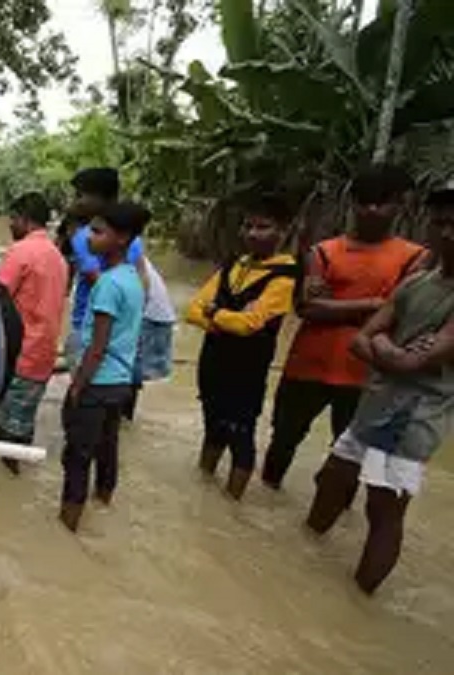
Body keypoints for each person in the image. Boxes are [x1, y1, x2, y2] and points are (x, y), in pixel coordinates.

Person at [303, 186, 454, 594]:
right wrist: (390, 347)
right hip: (377, 402)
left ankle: (359, 600)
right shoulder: (419, 282)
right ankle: (300, 564)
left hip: (415, 415)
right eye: (441, 223)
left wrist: (386, 347)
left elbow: (412, 360)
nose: (448, 233)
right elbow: (362, 340)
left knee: (384, 507)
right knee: (332, 478)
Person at [261, 166, 427, 489]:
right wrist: (375, 304)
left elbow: (402, 314)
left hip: (365, 373)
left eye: (382, 203)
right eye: (364, 202)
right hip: (307, 365)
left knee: (349, 459)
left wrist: (337, 306)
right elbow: (308, 308)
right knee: (281, 443)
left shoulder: (414, 258)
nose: (372, 211)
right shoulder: (324, 251)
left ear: (398, 206)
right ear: (353, 204)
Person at [186, 194, 298, 500]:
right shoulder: (234, 266)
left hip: (247, 371)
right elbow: (192, 311)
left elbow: (249, 325)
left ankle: (232, 503)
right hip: (213, 363)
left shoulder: (285, 276)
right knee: (213, 428)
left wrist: (214, 313)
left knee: (241, 437)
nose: (252, 234)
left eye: (263, 227)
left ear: (282, 232)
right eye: (248, 226)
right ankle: (205, 494)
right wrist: (223, 319)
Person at [60, 201, 148, 533]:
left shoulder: (108, 284)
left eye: (98, 231)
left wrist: (77, 387)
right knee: (108, 450)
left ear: (122, 238)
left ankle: (68, 526)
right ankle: (104, 502)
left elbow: (96, 349)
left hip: (98, 383)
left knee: (77, 459)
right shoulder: (133, 279)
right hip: (120, 383)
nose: (89, 238)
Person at [0, 192, 68, 475]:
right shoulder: (57, 256)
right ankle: (19, 483)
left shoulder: (21, 252)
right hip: (43, 354)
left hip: (19, 353)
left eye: (12, 219)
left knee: (6, 428)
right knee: (24, 420)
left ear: (24, 220)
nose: (10, 225)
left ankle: (6, 484)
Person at [65, 168, 144, 369]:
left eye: (80, 195)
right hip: (125, 330)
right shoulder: (131, 237)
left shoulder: (84, 236)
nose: (76, 201)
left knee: (84, 388)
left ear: (99, 197)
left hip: (89, 326)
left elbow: (97, 280)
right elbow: (143, 283)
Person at [125, 255, 176, 420]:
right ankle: (125, 424)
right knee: (130, 372)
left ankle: (123, 421)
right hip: (154, 314)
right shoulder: (124, 244)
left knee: (128, 372)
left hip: (149, 316)